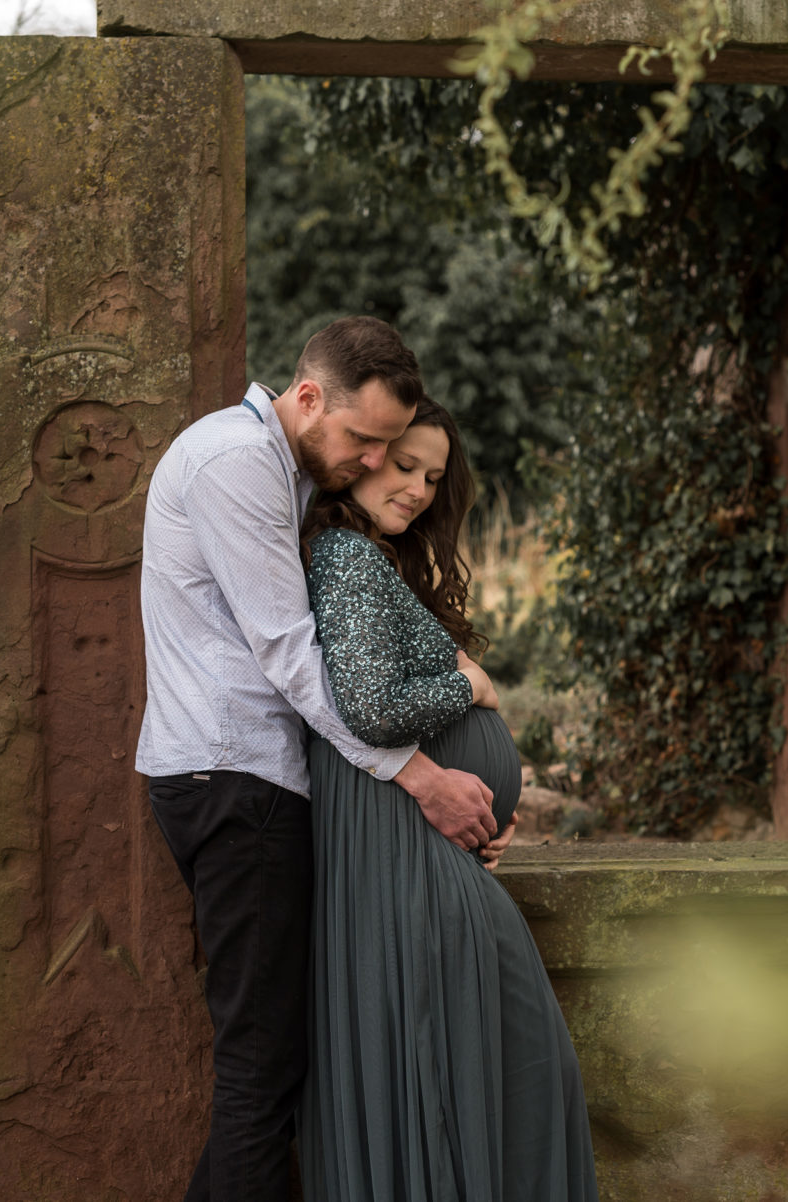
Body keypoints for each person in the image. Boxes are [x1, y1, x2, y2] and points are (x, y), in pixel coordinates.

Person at [136, 317, 503, 1202]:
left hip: (242, 785)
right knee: (261, 1074)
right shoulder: (235, 463)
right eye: (366, 441)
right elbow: (289, 652)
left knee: (269, 1070)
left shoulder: (281, 469)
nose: (375, 463)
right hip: (234, 786)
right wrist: (423, 778)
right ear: (307, 398)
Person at [297, 398, 599, 1201]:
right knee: (514, 1064)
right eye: (405, 467)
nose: (421, 490)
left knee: (480, 1069)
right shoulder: (347, 559)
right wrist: (466, 684)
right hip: (403, 854)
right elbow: (371, 708)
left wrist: (479, 813)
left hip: (424, 843)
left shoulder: (371, 561)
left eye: (434, 477)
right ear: (363, 457)